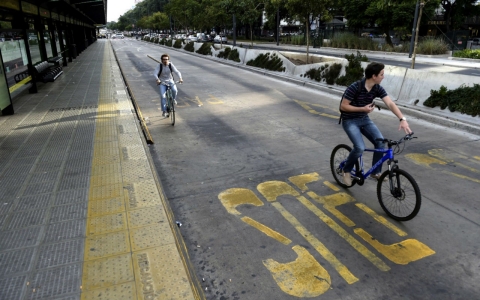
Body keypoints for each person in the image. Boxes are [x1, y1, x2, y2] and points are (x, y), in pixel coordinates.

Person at [340, 62, 412, 186]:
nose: (383, 77)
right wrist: (363, 109)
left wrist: (402, 119)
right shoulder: (355, 87)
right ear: (374, 76)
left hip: (364, 119)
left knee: (380, 142)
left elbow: (390, 103)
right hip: (350, 120)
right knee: (359, 148)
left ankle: (375, 172)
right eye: (381, 74)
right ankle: (346, 170)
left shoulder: (377, 88)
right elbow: (343, 106)